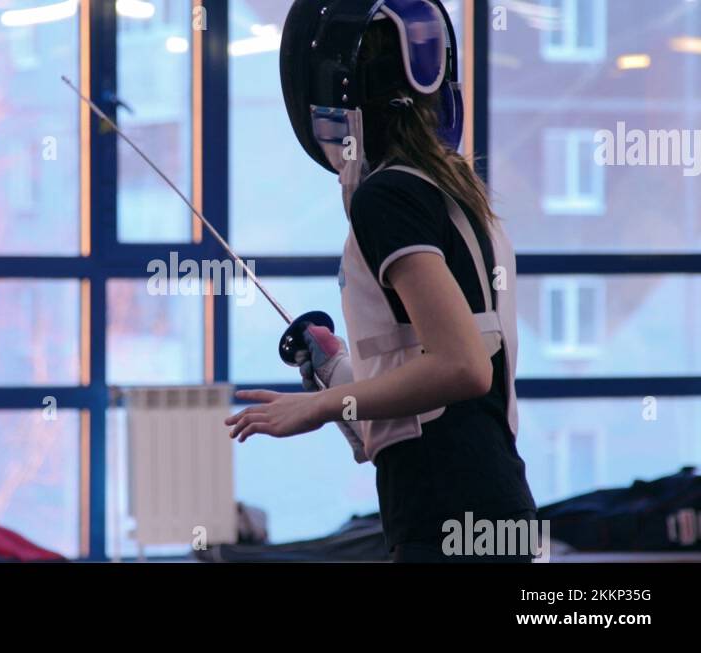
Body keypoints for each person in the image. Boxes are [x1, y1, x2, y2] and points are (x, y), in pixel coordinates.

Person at [227, 0, 536, 562]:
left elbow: (462, 367)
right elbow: (435, 376)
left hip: (449, 518)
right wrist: (334, 368)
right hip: (488, 511)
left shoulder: (386, 198)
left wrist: (317, 408)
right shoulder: (446, 190)